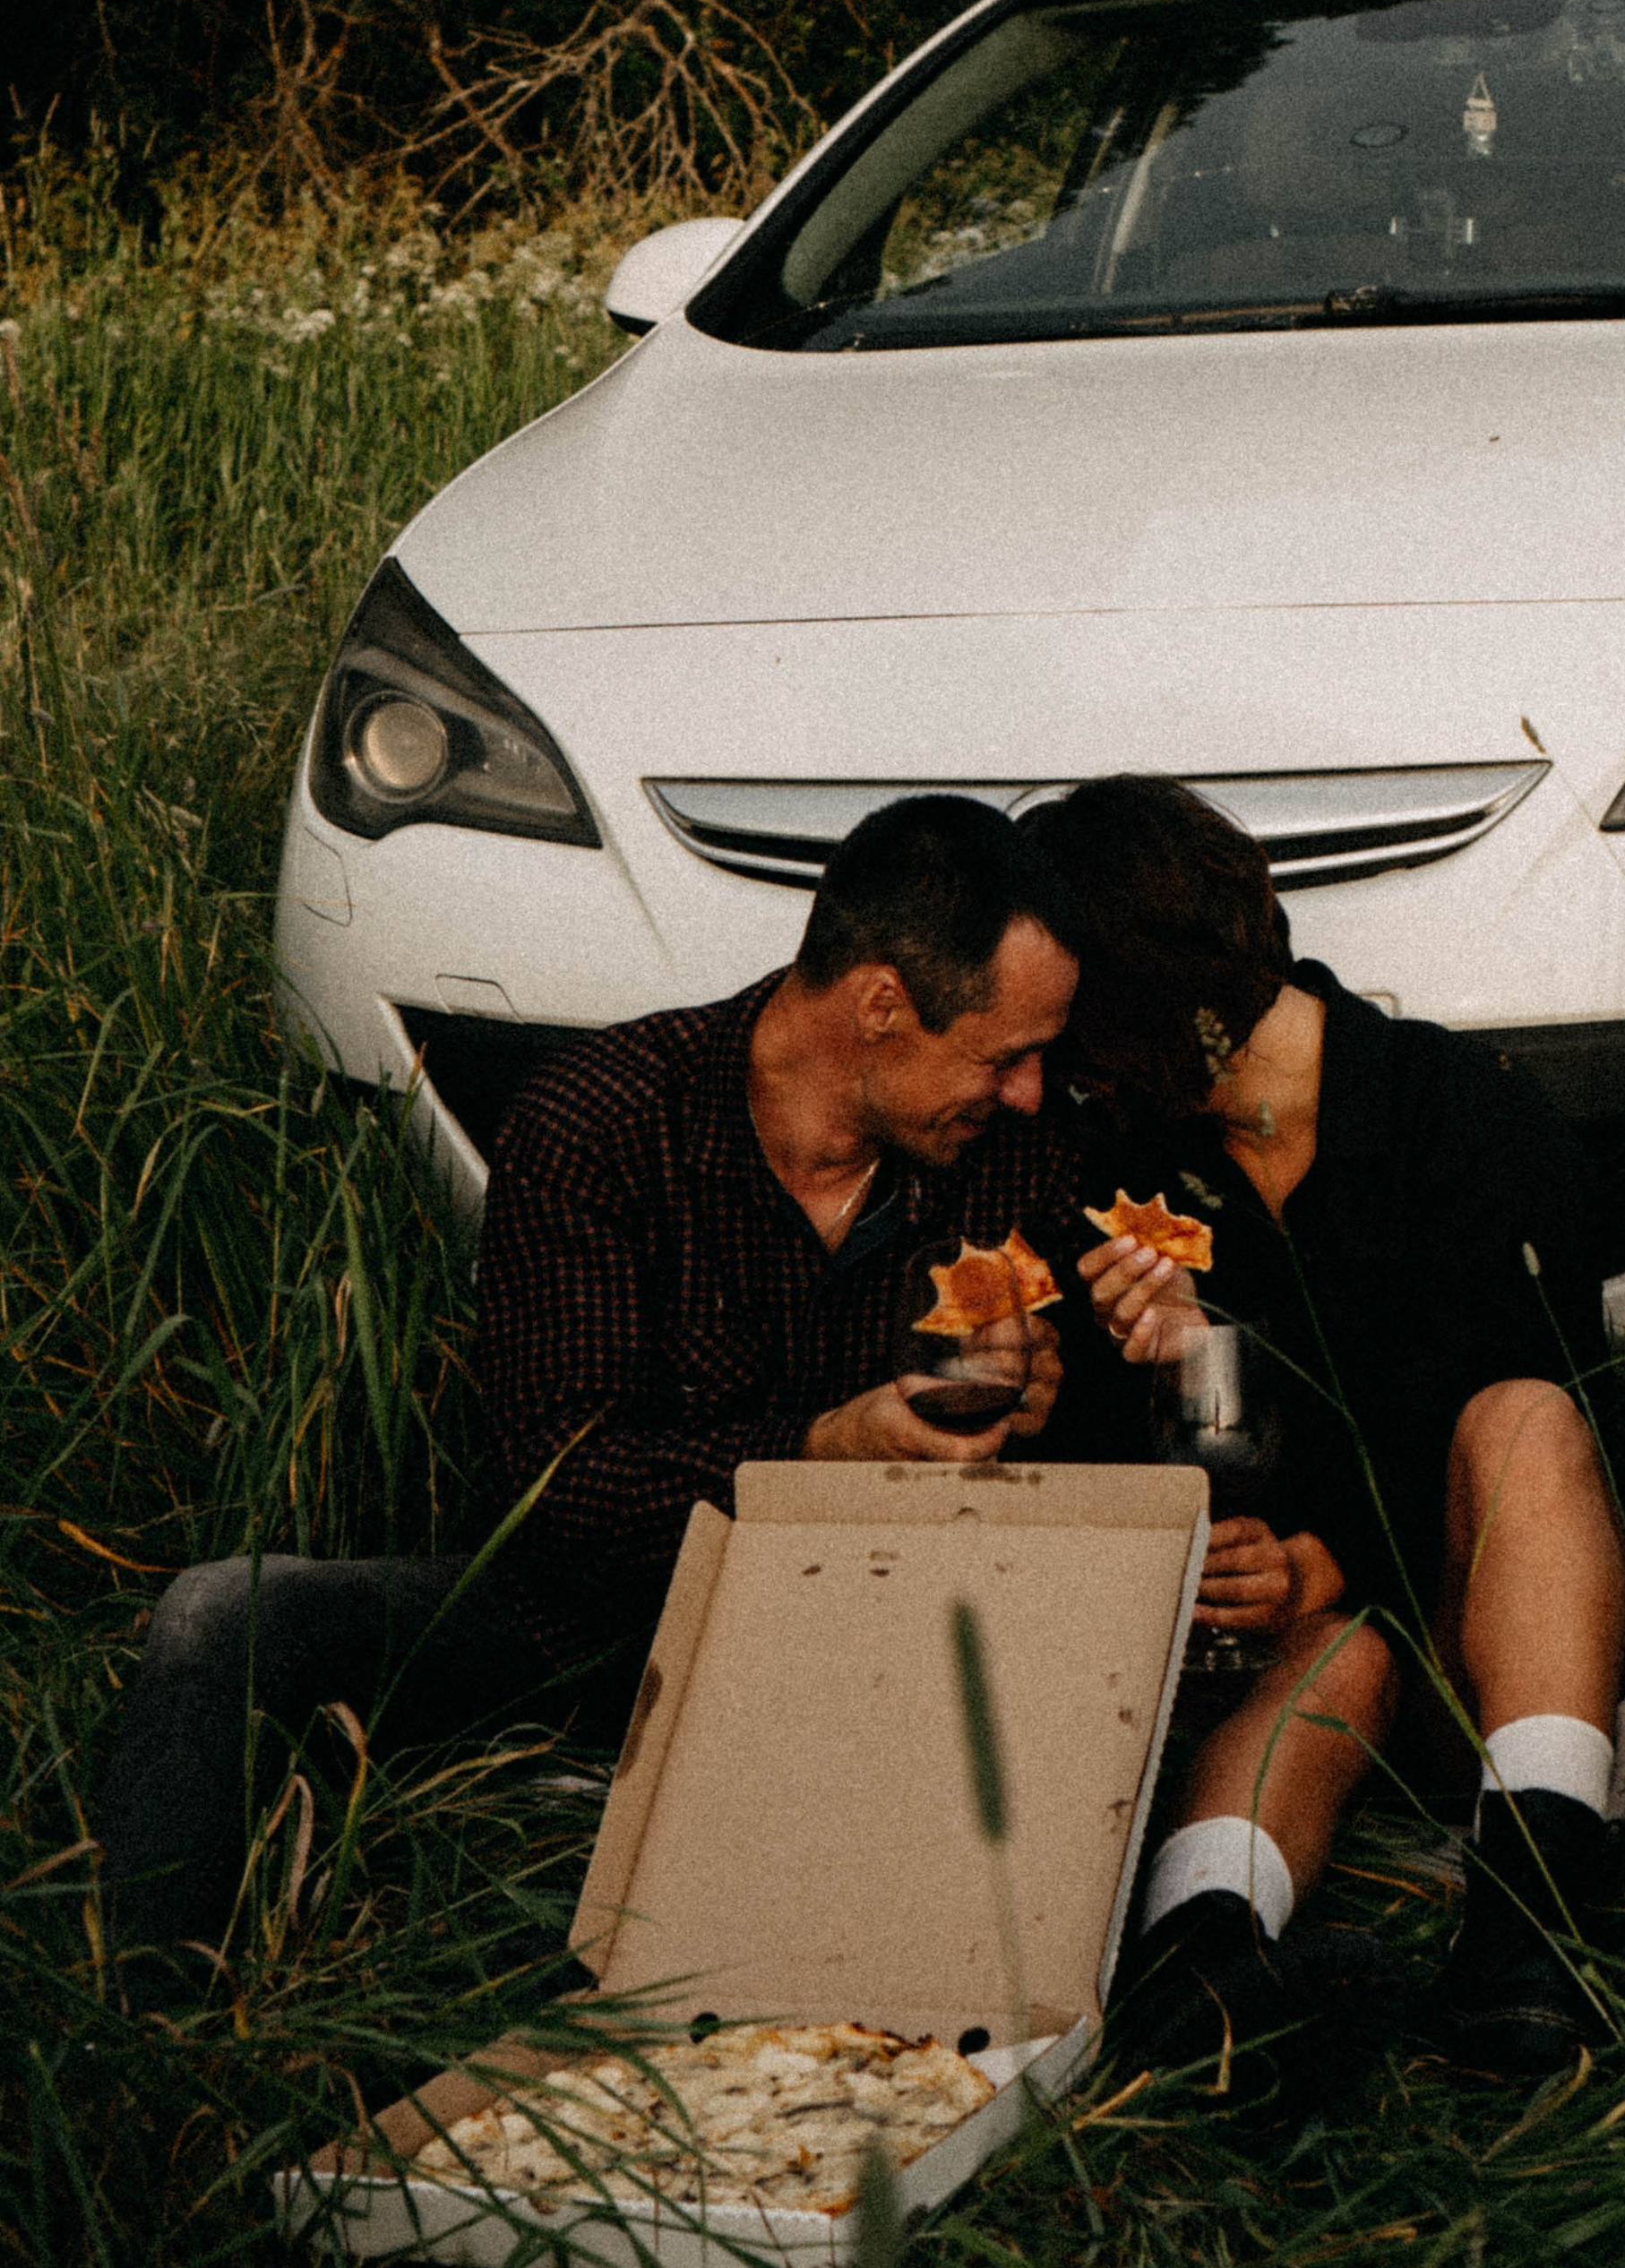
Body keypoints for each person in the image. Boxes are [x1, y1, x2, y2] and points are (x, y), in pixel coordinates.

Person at [95, 795, 1086, 1973]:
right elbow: (559, 1488)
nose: (1029, 1091)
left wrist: (1031, 1398)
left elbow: (1031, 1430)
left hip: (850, 1641)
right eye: (1003, 1054)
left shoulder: (1006, 1151)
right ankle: (155, 2027)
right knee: (224, 1613)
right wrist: (819, 1449)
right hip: (585, 1619)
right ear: (880, 1004)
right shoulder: (606, 1117)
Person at [1031, 774, 1625, 2082]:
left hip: (1507, 1624)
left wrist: (1334, 1554)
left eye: (1072, 1022)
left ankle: (1529, 1928)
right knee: (1338, 1654)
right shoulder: (1126, 1185)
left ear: (1138, 1010)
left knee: (1521, 1421)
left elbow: (1540, 1416)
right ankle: (1201, 1958)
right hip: (1315, 1651)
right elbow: (1188, 1482)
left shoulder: (1462, 1113)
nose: (1055, 1073)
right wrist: (1196, 1362)